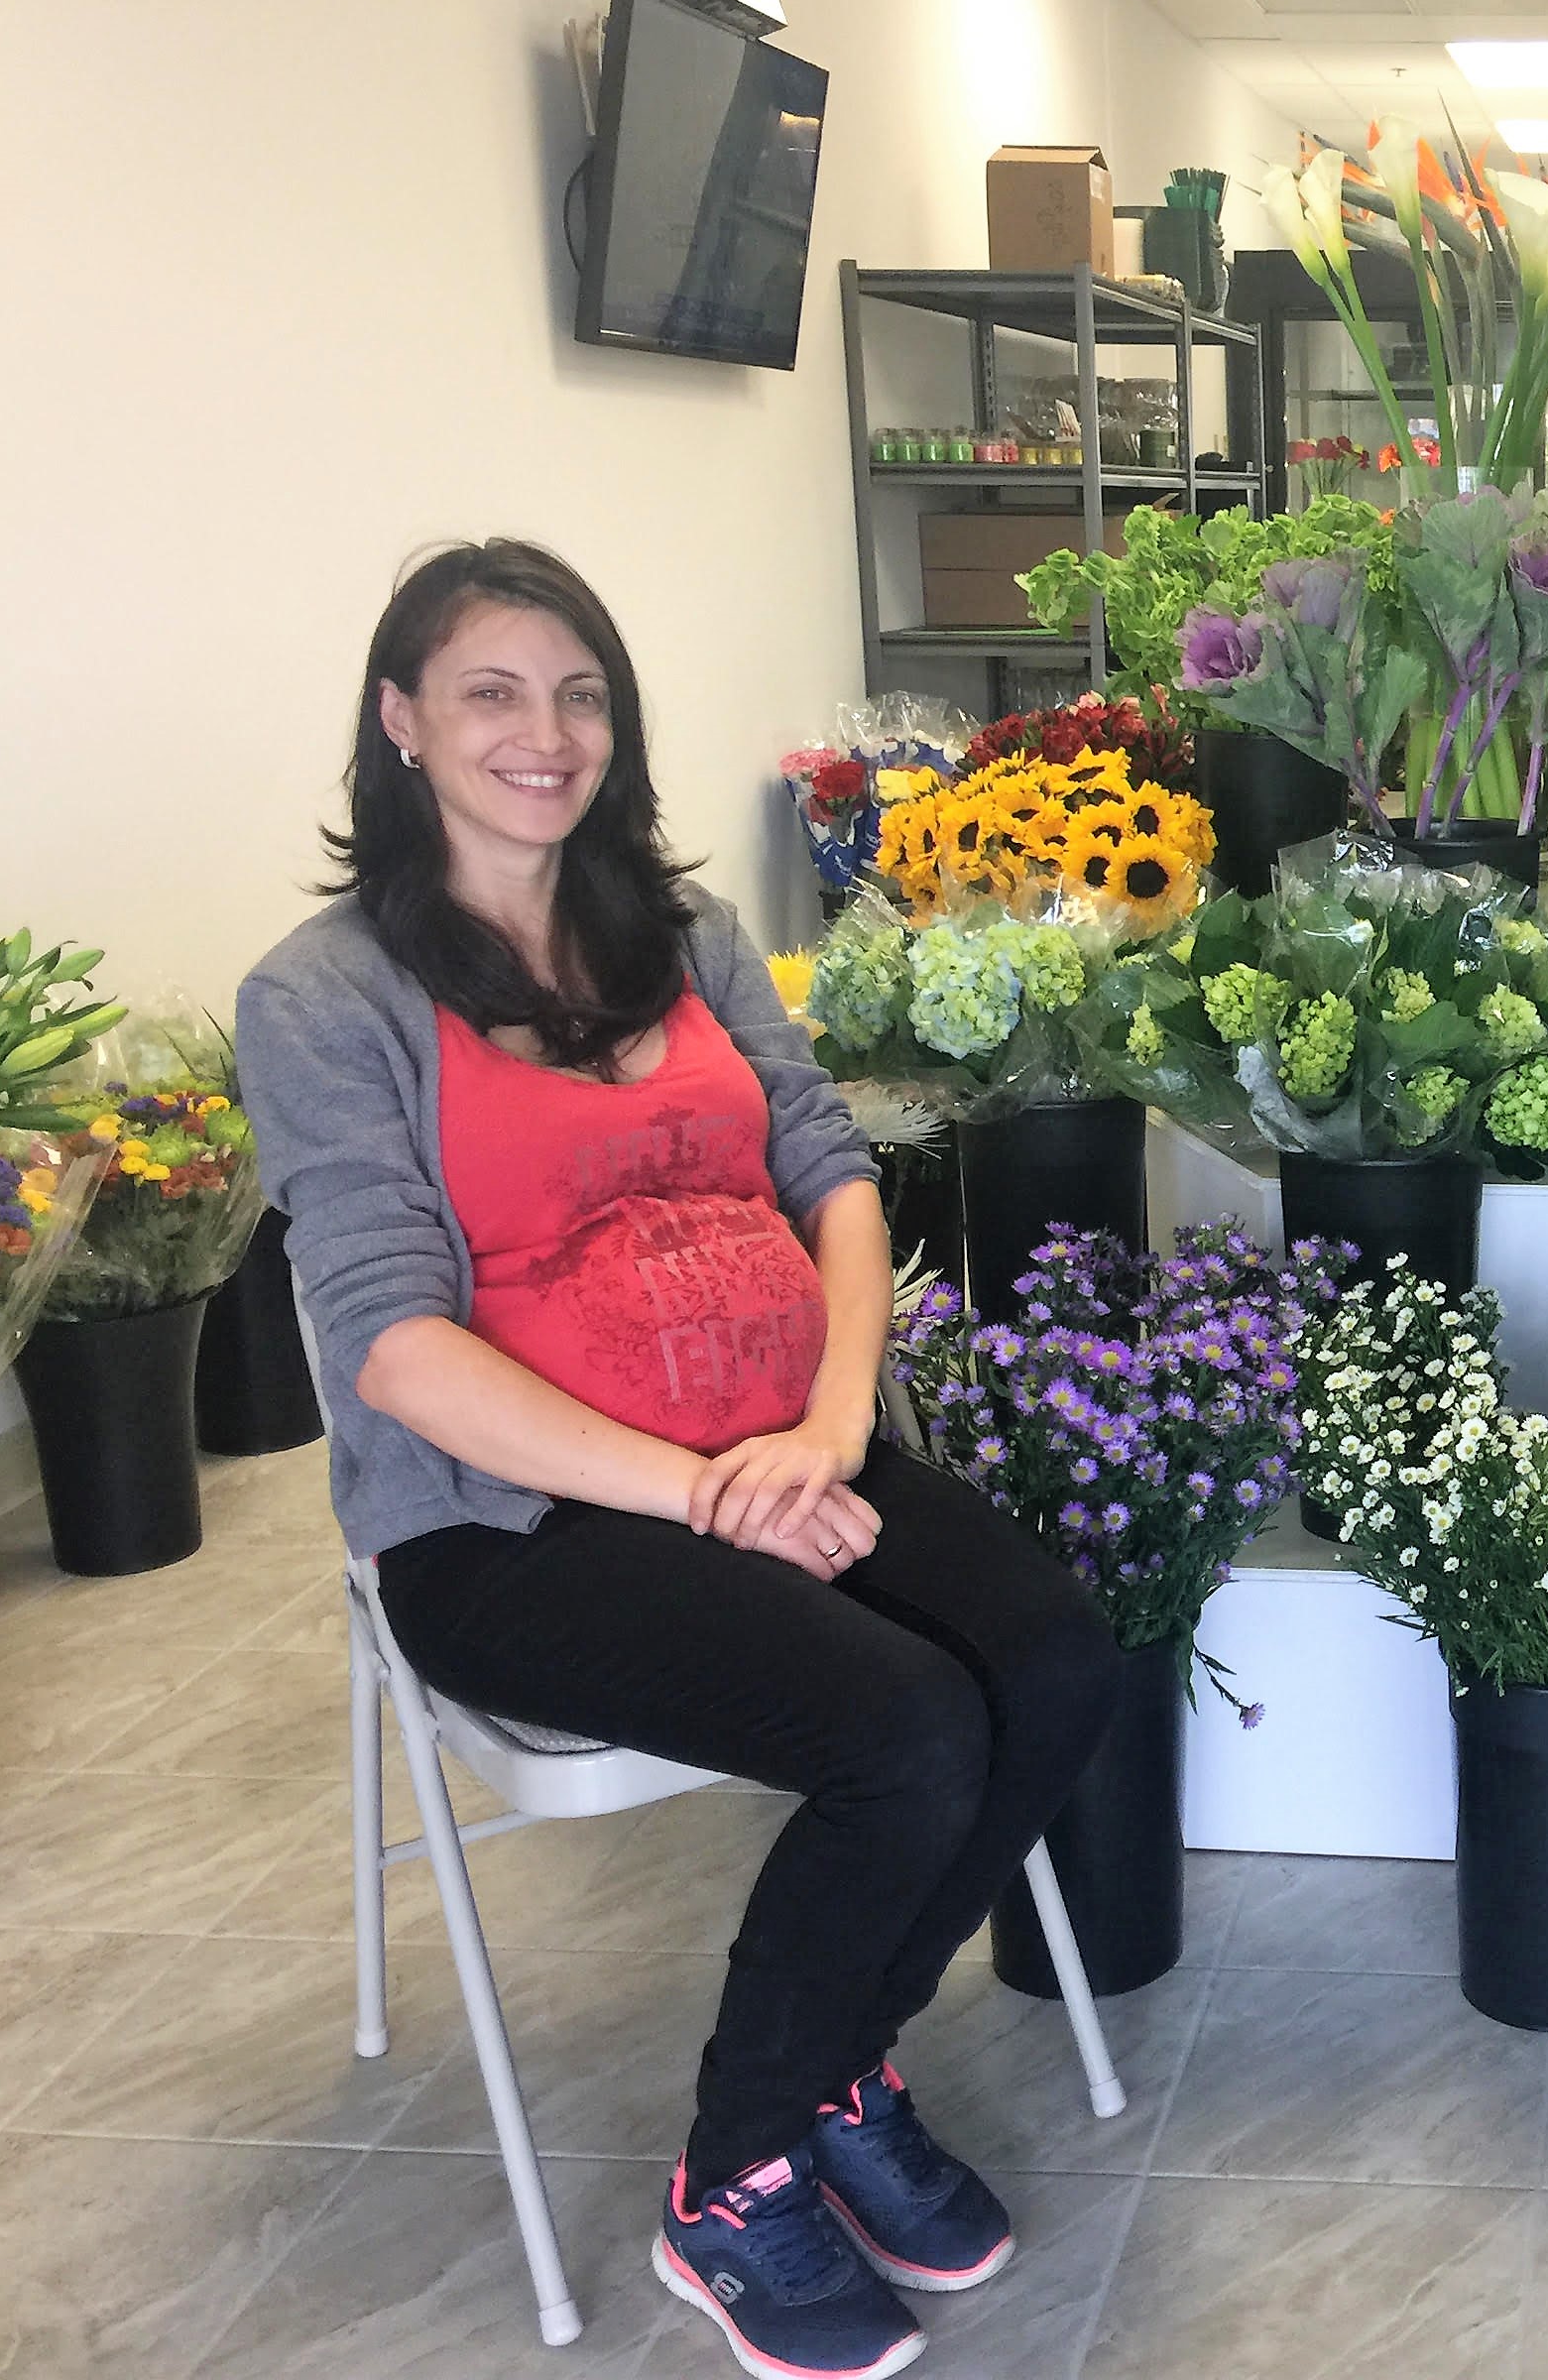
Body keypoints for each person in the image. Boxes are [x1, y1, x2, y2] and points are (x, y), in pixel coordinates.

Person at [240, 539, 1121, 2380]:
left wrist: (819, 1429)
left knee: (1049, 1653)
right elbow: (394, 1348)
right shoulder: (326, 996)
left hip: (781, 1451)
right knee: (903, 1731)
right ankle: (734, 2182)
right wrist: (706, 1490)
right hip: (522, 1524)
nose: (543, 733)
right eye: (491, 691)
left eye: (579, 692)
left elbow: (831, 1170)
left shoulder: (687, 932)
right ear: (400, 723)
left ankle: (834, 2071)